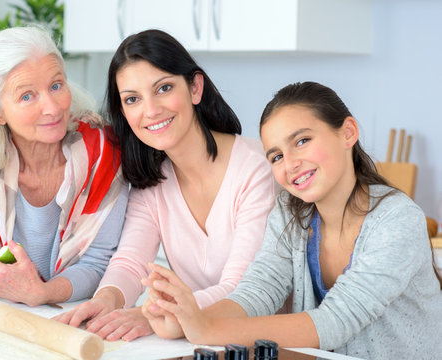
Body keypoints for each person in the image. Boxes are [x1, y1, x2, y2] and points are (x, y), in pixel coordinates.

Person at [141, 82, 442, 358]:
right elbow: (258, 292)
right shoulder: (290, 210)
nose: (291, 164)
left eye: (302, 141)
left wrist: (206, 329)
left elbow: (333, 322)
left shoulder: (396, 220)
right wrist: (185, 320)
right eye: (276, 156)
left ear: (348, 132)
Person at [54, 29, 275, 341]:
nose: (151, 110)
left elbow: (240, 287)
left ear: (195, 88)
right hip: (199, 341)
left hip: (264, 343)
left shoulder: (256, 169)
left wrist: (151, 315)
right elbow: (131, 263)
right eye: (132, 99)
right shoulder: (152, 180)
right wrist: (105, 302)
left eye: (163, 88)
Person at [0, 26, 128, 306]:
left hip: (84, 313)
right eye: (27, 95)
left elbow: (98, 264)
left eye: (56, 85)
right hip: (14, 311)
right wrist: (21, 291)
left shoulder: (105, 155)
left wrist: (42, 294)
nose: (53, 108)